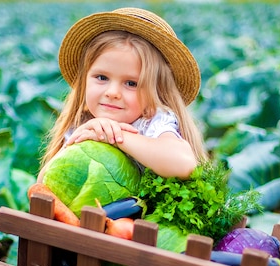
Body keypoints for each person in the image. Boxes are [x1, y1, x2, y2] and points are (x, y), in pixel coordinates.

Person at [37, 7, 208, 182]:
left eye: (131, 83)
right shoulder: (84, 125)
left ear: (156, 94)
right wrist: (74, 142)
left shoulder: (152, 123)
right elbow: (43, 184)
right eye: (102, 77)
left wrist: (116, 137)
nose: (112, 93)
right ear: (84, 83)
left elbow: (184, 165)